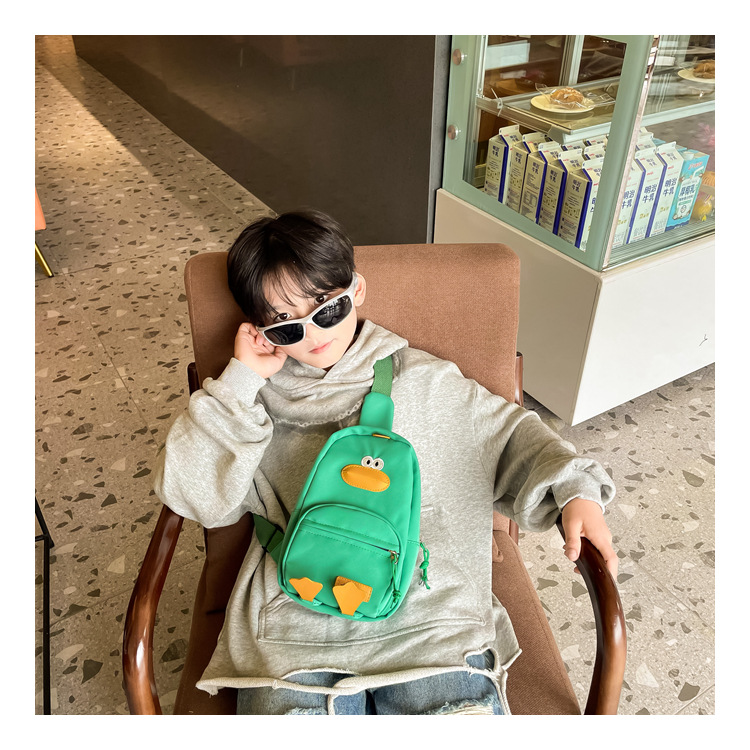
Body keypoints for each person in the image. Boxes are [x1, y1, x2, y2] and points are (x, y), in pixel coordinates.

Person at [154, 209, 617, 715]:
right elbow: (192, 496)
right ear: (261, 330)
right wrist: (240, 381)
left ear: (357, 290)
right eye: (286, 326)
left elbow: (512, 436)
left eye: (327, 308)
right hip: (295, 629)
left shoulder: (425, 379)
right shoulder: (247, 403)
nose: (313, 334)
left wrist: (575, 490)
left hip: (430, 622)